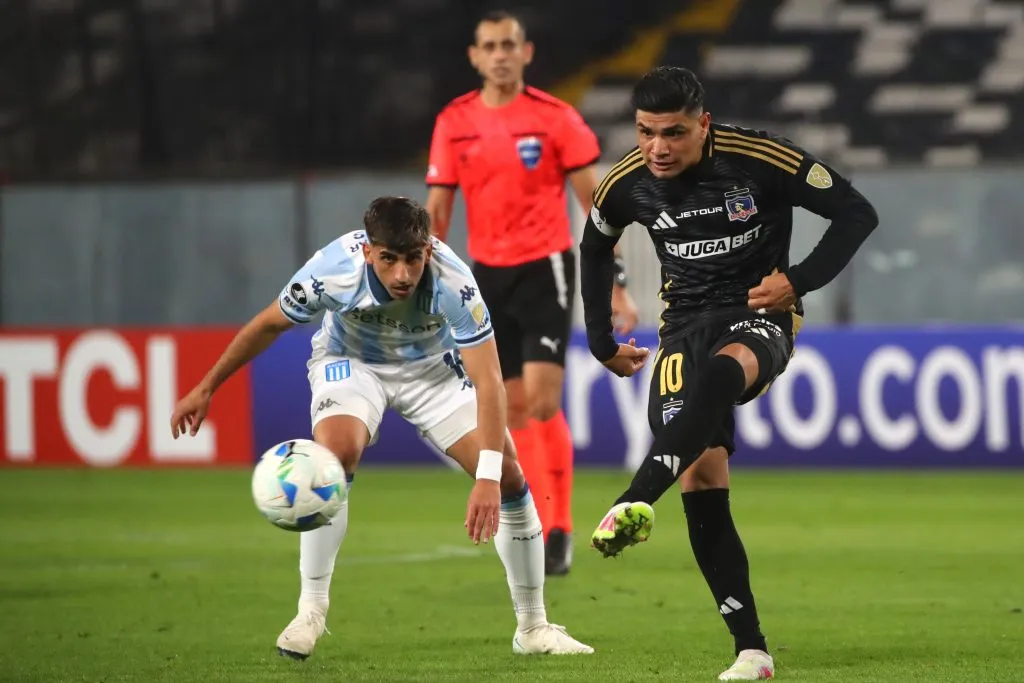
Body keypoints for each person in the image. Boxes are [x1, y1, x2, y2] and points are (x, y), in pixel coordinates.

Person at [170, 197, 593, 659]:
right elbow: (269, 324)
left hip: (433, 371)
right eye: (389, 260)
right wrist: (207, 386)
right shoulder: (332, 270)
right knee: (333, 457)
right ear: (369, 252)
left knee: (510, 475)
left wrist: (488, 478)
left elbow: (490, 382)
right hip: (352, 364)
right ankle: (309, 612)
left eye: (413, 259)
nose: (402, 275)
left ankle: (533, 627)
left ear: (428, 251)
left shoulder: (454, 283)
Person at [579, 67, 879, 680]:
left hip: (758, 313)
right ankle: (753, 650)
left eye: (674, 133)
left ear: (704, 124)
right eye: (645, 132)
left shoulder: (760, 158)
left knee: (722, 376)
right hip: (681, 327)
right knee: (700, 472)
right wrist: (601, 341)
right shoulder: (625, 184)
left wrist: (798, 280)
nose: (658, 148)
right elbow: (592, 248)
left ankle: (634, 499)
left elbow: (856, 212)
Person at [425, 10, 639, 576]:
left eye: (508, 45)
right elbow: (439, 212)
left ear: (527, 52)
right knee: (511, 406)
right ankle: (537, 520)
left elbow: (597, 205)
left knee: (542, 400)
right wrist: (423, 286)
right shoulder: (454, 122)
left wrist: (616, 284)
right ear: (474, 56)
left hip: (545, 270)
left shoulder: (555, 119)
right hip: (484, 276)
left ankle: (562, 528)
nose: (499, 54)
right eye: (489, 45)